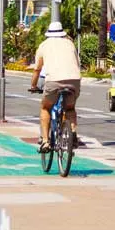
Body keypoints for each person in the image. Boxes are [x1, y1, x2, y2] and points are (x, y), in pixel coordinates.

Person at [29, 21, 81, 153]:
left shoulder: (44, 45)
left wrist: (33, 85)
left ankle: (45, 142)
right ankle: (73, 132)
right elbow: (77, 63)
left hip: (53, 81)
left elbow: (37, 70)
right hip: (74, 79)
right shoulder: (70, 44)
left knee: (45, 108)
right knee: (70, 108)